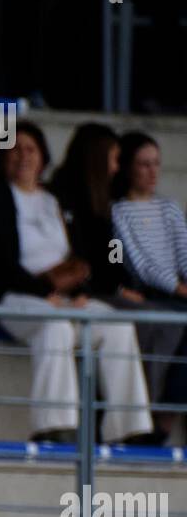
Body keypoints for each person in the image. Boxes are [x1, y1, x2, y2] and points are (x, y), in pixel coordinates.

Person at [0, 123, 156, 445]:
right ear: (1, 155)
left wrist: (77, 291)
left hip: (60, 298)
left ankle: (129, 428)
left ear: (43, 157)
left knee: (118, 326)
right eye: (15, 148)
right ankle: (55, 428)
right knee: (56, 327)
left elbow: (79, 254)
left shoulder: (55, 199)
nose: (23, 156)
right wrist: (44, 291)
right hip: (11, 298)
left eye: (31, 149)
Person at [52, 123, 181, 440]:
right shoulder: (79, 201)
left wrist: (119, 284)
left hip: (114, 289)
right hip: (93, 293)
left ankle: (161, 414)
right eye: (114, 159)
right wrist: (119, 288)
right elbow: (94, 259)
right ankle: (145, 413)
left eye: (157, 164)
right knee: (157, 320)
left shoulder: (101, 205)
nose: (115, 167)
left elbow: (111, 257)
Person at [111, 131, 187, 435]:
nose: (152, 171)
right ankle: (160, 416)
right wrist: (177, 287)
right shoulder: (118, 211)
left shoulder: (169, 207)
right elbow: (136, 261)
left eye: (156, 164)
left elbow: (183, 251)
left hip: (179, 291)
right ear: (128, 167)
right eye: (144, 164)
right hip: (153, 291)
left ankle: (167, 415)